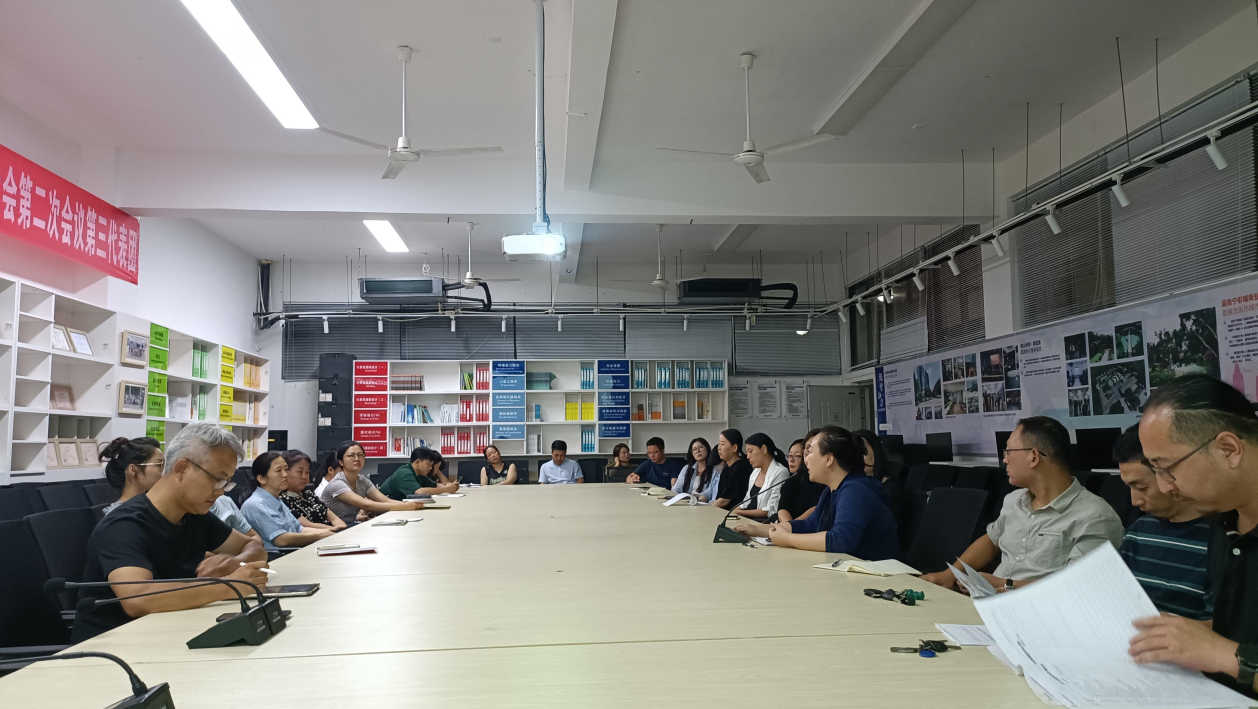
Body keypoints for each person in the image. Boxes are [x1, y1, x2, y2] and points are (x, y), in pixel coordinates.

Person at [72, 423, 269, 642]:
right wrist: (228, 586)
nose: (221, 491)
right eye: (217, 480)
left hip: (171, 632)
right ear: (182, 468)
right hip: (114, 646)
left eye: (226, 483)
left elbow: (254, 547)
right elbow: (137, 598)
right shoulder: (124, 525)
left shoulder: (193, 514)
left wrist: (234, 563)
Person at [1126, 375, 1258, 696]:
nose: (1164, 487)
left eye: (1167, 468)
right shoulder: (1223, 518)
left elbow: (1227, 651)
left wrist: (1223, 654)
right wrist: (1176, 635)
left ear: (1228, 449)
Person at [921, 416, 1123, 591]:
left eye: (1009, 452)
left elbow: (1076, 587)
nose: (1005, 460)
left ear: (1033, 457)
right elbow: (991, 540)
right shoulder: (1014, 500)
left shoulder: (1095, 516)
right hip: (989, 603)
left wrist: (1004, 584)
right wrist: (950, 575)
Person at [733, 426, 898, 558]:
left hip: (878, 578)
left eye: (810, 452)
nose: (806, 459)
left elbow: (841, 540)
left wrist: (788, 539)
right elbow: (808, 525)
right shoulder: (831, 490)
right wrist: (758, 530)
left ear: (828, 459)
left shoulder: (855, 490)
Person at [1112, 424, 1211, 620]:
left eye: (1141, 487)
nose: (1134, 501)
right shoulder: (1139, 531)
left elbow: (1219, 624)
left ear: (1167, 474)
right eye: (1129, 487)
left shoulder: (1220, 539)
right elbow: (1118, 595)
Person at [241, 451, 336, 553]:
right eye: (278, 470)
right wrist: (319, 536)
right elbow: (281, 539)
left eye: (286, 469)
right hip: (277, 557)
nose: (285, 474)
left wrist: (331, 532)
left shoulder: (277, 500)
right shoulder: (255, 504)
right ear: (262, 479)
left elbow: (299, 529)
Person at [320, 441, 425, 522]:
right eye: (351, 455)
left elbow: (384, 500)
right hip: (332, 528)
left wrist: (409, 504)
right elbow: (366, 505)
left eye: (360, 455)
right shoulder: (337, 483)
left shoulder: (363, 480)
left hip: (351, 525)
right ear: (341, 462)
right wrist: (404, 506)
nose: (357, 459)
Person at [278, 450, 346, 531]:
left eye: (307, 472)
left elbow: (333, 517)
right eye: (300, 472)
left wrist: (342, 527)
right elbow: (307, 525)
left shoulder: (309, 494)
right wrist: (335, 530)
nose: (304, 477)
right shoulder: (282, 500)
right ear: (286, 472)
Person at [99, 436, 164, 516]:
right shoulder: (120, 515)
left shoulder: (147, 507)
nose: (165, 471)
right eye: (159, 465)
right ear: (133, 470)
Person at [732, 432, 790, 519]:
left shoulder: (780, 472)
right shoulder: (755, 471)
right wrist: (732, 512)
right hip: (746, 517)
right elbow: (746, 501)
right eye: (747, 452)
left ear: (764, 449)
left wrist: (740, 513)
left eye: (750, 451)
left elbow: (771, 509)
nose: (748, 456)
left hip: (762, 521)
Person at [380, 447, 459, 500]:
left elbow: (436, 485)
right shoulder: (405, 473)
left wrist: (450, 486)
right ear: (417, 462)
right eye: (428, 464)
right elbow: (419, 492)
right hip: (386, 511)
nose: (430, 468)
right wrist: (446, 489)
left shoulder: (419, 474)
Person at [776, 438, 824, 522]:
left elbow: (815, 511)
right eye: (789, 456)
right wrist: (788, 525)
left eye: (796, 456)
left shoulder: (822, 483)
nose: (791, 460)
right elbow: (782, 508)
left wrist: (791, 526)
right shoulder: (791, 479)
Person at [711, 429, 753, 510]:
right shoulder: (727, 467)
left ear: (734, 448)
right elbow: (720, 497)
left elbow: (724, 501)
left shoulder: (741, 467)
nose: (718, 448)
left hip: (737, 513)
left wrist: (708, 510)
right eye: (719, 444)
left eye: (722, 444)